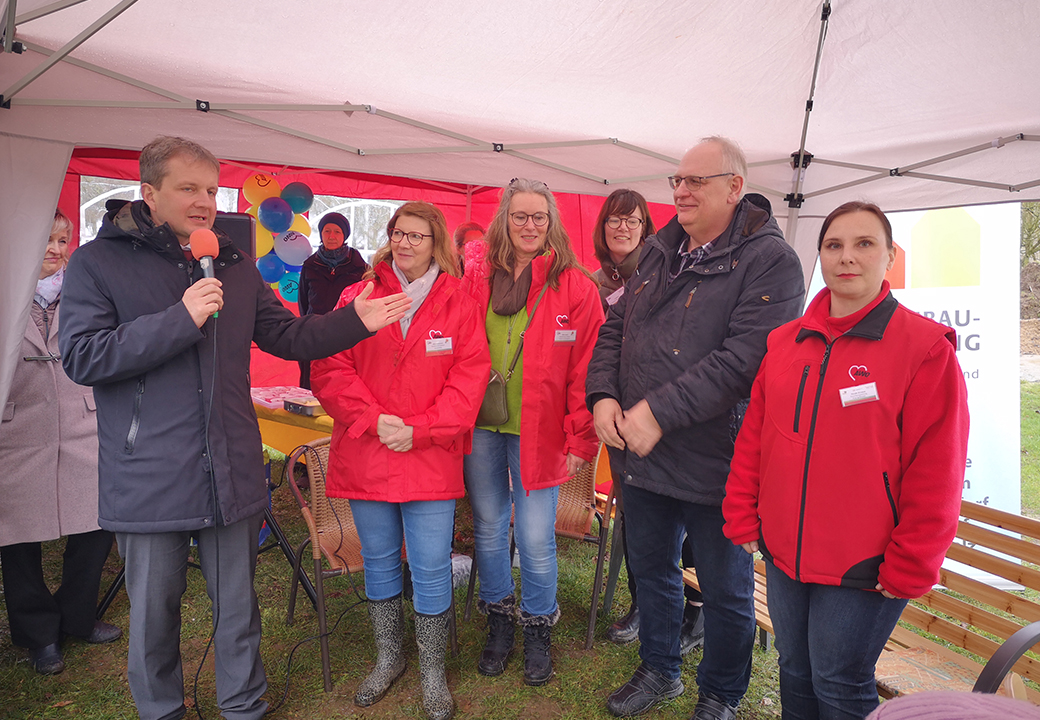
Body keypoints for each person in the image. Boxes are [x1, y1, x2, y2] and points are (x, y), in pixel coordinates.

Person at [58, 135, 411, 720]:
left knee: (238, 608)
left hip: (232, 468)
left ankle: (245, 705)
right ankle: (162, 710)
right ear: (148, 192)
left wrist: (354, 321)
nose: (204, 201)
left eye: (211, 189)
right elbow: (84, 356)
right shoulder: (97, 263)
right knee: (153, 614)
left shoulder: (231, 260)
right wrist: (181, 319)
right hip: (149, 475)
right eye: (188, 188)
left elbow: (287, 337)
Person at [586, 136, 805, 719]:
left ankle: (721, 693)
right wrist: (603, 394)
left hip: (720, 458)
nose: (681, 191)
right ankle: (659, 668)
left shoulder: (770, 261)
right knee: (651, 569)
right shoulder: (661, 248)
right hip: (641, 451)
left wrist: (657, 412)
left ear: (734, 188)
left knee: (725, 588)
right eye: (677, 181)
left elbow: (744, 360)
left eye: (696, 182)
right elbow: (615, 328)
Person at [723, 201, 970, 720]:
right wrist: (743, 511)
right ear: (820, 255)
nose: (847, 257)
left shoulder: (924, 349)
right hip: (786, 548)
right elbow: (756, 438)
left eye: (864, 244)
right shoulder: (785, 342)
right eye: (834, 245)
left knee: (838, 682)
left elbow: (938, 471)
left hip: (865, 562)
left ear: (890, 257)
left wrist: (911, 560)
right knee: (794, 669)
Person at [311, 202, 489, 720]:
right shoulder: (358, 294)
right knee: (381, 562)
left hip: (428, 455)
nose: (407, 243)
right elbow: (329, 367)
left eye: (419, 235)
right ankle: (389, 657)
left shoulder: (458, 301)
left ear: (437, 243)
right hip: (368, 450)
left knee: (432, 565)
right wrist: (374, 420)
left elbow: (469, 377)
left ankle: (432, 669)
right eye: (398, 233)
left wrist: (422, 429)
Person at [463, 178, 603, 686]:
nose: (528, 226)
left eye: (538, 217)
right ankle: (499, 619)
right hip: (480, 425)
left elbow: (587, 370)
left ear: (551, 223)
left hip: (539, 431)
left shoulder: (575, 286)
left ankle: (538, 625)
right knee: (488, 525)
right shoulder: (478, 276)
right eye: (519, 217)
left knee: (537, 537)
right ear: (505, 220)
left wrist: (580, 438)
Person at [0, 209, 122, 676]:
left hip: (82, 424)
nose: (55, 249)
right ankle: (38, 634)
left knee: (94, 524)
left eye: (63, 240)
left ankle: (78, 616)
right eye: (45, 239)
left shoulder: (84, 289)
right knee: (17, 536)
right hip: (18, 430)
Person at [591, 190, 705, 653]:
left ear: (646, 228)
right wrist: (602, 397)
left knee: (691, 524)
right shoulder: (591, 280)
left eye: (632, 221)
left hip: (670, 415)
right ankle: (647, 606)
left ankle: (695, 614)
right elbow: (601, 344)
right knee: (637, 522)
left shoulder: (663, 268)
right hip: (617, 416)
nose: (622, 229)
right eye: (614, 221)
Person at [297, 212, 369, 388]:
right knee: (312, 383)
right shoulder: (310, 265)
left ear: (344, 235)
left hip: (347, 334)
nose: (331, 236)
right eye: (327, 231)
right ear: (321, 234)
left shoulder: (360, 267)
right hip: (315, 333)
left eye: (337, 232)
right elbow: (304, 302)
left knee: (343, 383)